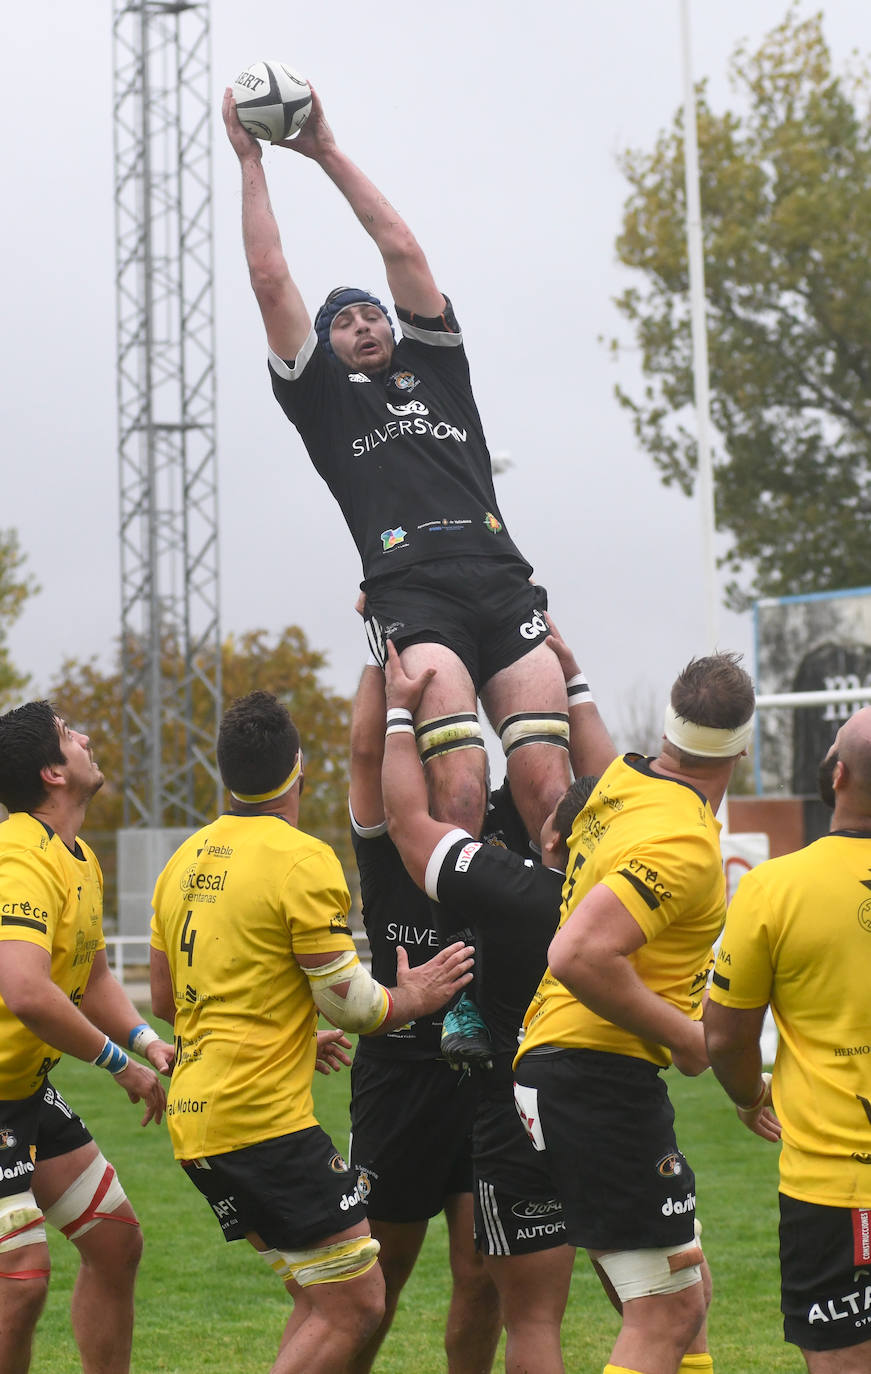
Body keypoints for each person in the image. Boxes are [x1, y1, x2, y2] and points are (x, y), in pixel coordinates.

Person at [221, 84, 573, 856]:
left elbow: (403, 251)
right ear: (326, 347)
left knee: (551, 788)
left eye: (372, 313)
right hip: (412, 592)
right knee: (459, 785)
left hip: (499, 576)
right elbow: (271, 280)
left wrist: (325, 151)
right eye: (343, 321)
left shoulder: (439, 368)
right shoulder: (321, 400)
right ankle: (463, 970)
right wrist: (251, 160)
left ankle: (559, 963)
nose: (364, 324)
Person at [149, 690, 475, 1374]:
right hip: (259, 1122)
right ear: (297, 768)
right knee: (358, 1303)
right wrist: (413, 995)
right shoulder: (301, 859)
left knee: (319, 1297)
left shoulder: (182, 861)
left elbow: (165, 996)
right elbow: (354, 1007)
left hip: (195, 1118)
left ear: (223, 773)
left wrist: (288, 1035)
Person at [513, 651, 756, 1374]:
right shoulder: (682, 842)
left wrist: (574, 681)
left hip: (559, 1069)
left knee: (687, 1287)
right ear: (741, 748)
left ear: (669, 731)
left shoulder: (620, 782)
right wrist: (692, 1040)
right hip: (595, 1077)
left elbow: (590, 771)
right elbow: (576, 954)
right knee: (667, 1309)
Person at [380, 633, 613, 1373]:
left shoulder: (509, 890)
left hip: (516, 1113)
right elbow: (610, 786)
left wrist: (396, 716)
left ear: (547, 830)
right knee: (666, 1297)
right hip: (613, 1108)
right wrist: (570, 684)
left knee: (532, 1320)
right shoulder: (628, 902)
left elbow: (410, 825)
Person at [0, 701, 172, 1374]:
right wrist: (117, 1065)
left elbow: (91, 972)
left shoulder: (77, 857)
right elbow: (27, 990)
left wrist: (142, 1038)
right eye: (72, 736)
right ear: (52, 772)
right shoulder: (18, 861)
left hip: (21, 1092)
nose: (87, 739)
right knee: (21, 1281)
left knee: (113, 1241)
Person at [705, 706, 871, 1373]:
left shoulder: (772, 888)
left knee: (842, 1359)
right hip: (834, 1186)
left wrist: (749, 1097)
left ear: (835, 776)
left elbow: (724, 1039)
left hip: (834, 1183)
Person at [346, 663, 500, 1374]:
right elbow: (363, 753)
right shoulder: (387, 842)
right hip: (398, 1082)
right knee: (380, 1278)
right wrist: (385, 659)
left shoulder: (500, 837)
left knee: (481, 1273)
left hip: (482, 1081)